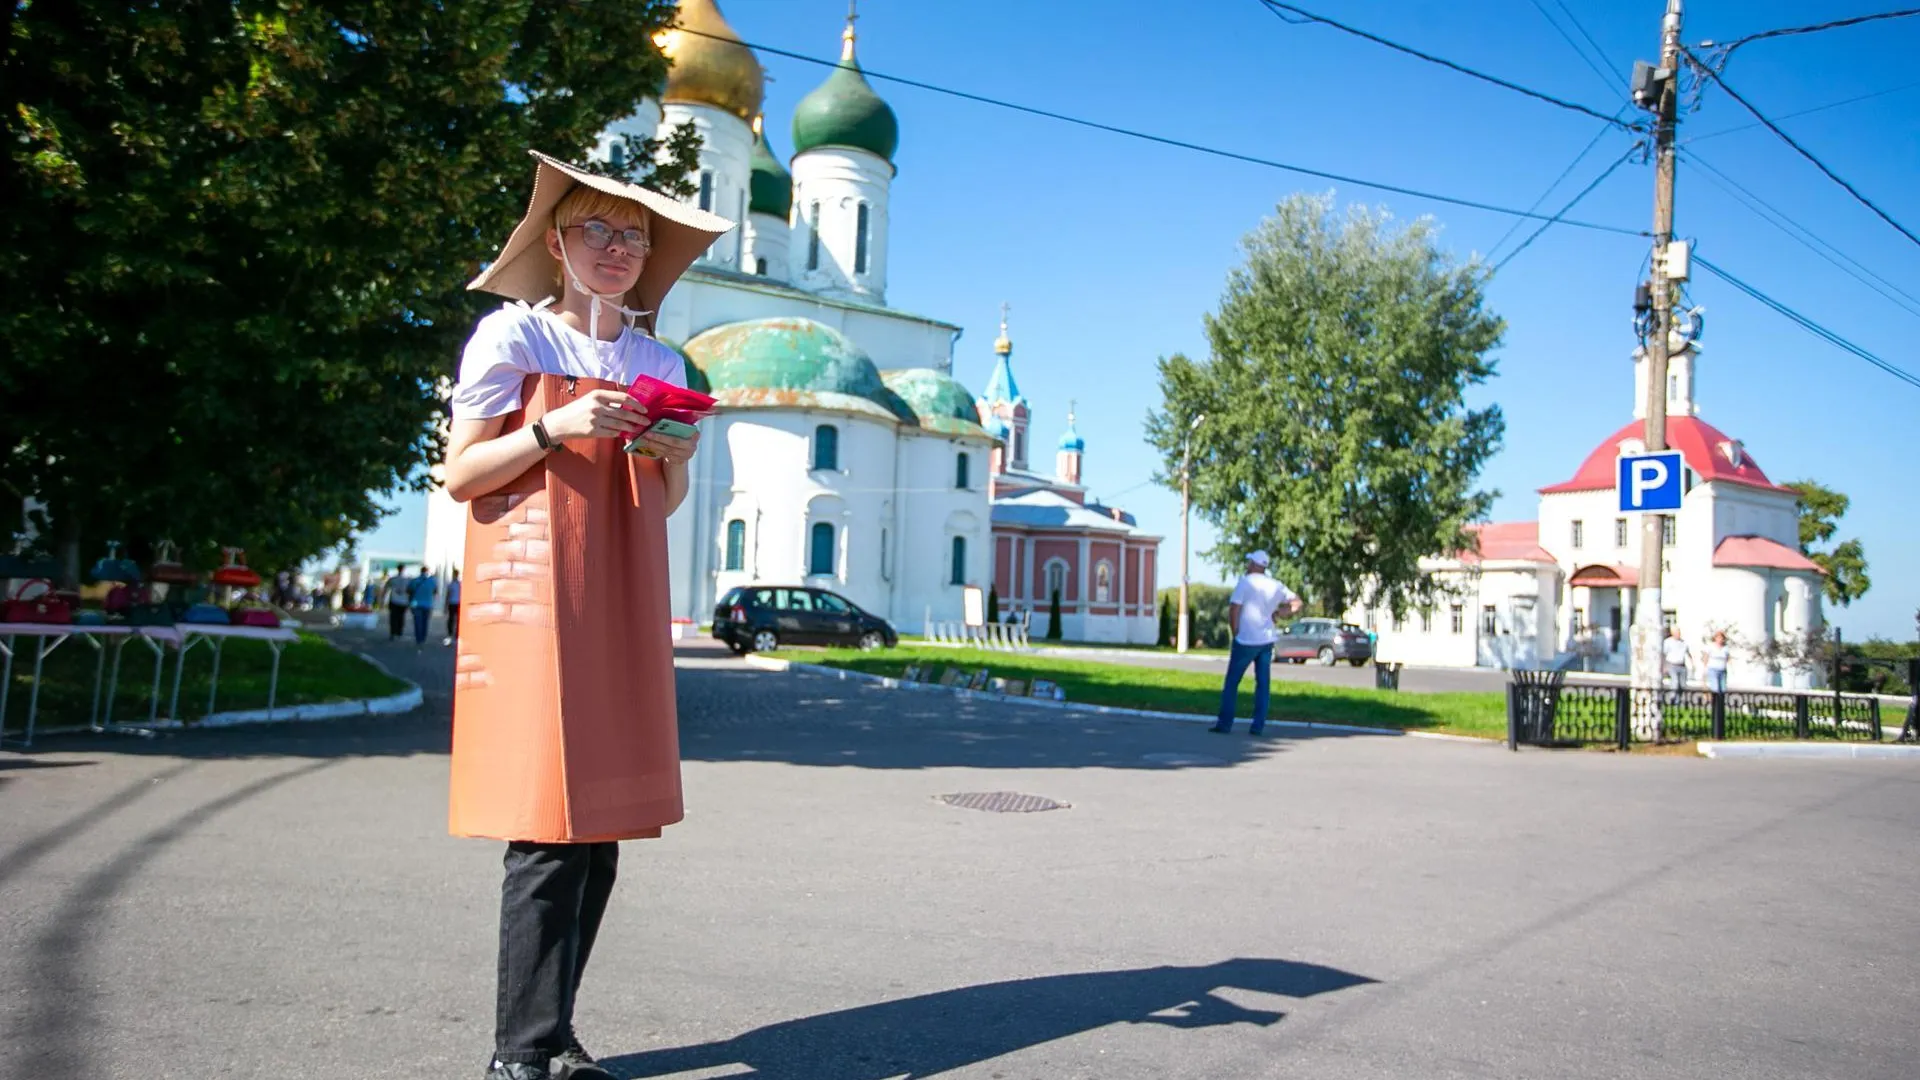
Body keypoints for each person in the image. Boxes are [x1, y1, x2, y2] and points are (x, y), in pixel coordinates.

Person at [440, 150, 731, 1080]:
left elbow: (664, 501)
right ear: (557, 244)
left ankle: (555, 1039)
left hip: (617, 593)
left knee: (598, 835)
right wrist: (553, 428)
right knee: (545, 829)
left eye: (634, 235)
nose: (617, 247)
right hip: (533, 594)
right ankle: (517, 1055)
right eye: (597, 229)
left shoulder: (657, 359)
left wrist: (674, 451)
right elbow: (460, 475)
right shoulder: (510, 339)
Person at [1210, 550, 1303, 736]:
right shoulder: (1275, 585)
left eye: (1249, 562)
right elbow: (1297, 603)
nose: (1247, 566)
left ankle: (1225, 723)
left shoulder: (1245, 582)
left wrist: (1235, 630)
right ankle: (1257, 726)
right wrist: (1279, 614)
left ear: (1254, 564)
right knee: (1263, 684)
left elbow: (1234, 608)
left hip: (1246, 639)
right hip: (1267, 639)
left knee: (1232, 682)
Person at [409, 565, 439, 648]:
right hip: (428, 604)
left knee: (417, 622)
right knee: (425, 622)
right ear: (427, 571)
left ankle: (418, 638)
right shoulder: (432, 581)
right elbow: (435, 591)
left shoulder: (415, 580)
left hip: (416, 604)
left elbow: (409, 591)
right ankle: (423, 638)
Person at [1662, 626, 1690, 693]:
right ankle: (1673, 699)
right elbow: (1664, 654)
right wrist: (1664, 666)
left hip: (1682, 665)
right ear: (1673, 633)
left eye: (1679, 632)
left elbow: (1688, 653)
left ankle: (1679, 700)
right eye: (1676, 633)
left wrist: (1692, 662)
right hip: (1672, 665)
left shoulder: (1684, 642)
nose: (1678, 634)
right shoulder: (1668, 642)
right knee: (1675, 683)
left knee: (1682, 685)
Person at [384, 569, 409, 640]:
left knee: (393, 617)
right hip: (404, 601)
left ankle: (392, 632)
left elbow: (386, 588)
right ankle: (399, 632)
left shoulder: (393, 579)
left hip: (394, 600)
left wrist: (383, 599)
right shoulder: (407, 580)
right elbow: (410, 590)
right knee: (401, 617)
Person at [445, 569, 463, 647]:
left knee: (451, 619)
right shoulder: (460, 584)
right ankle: (456, 633)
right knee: (457, 619)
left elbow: (448, 595)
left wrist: (445, 605)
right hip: (458, 603)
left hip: (452, 603)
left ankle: (451, 632)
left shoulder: (451, 584)